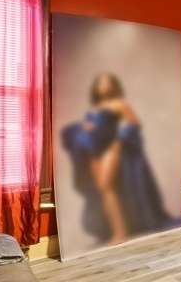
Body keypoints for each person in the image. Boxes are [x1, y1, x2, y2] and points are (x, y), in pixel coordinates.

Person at [62, 73, 170, 245]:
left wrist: (119, 142)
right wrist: (85, 127)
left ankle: (120, 232)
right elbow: (94, 127)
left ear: (113, 85)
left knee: (105, 185)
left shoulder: (119, 104)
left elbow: (134, 123)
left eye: (107, 82)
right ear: (96, 87)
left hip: (109, 148)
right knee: (103, 190)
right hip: (93, 150)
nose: (104, 85)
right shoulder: (94, 108)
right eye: (100, 82)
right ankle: (117, 230)